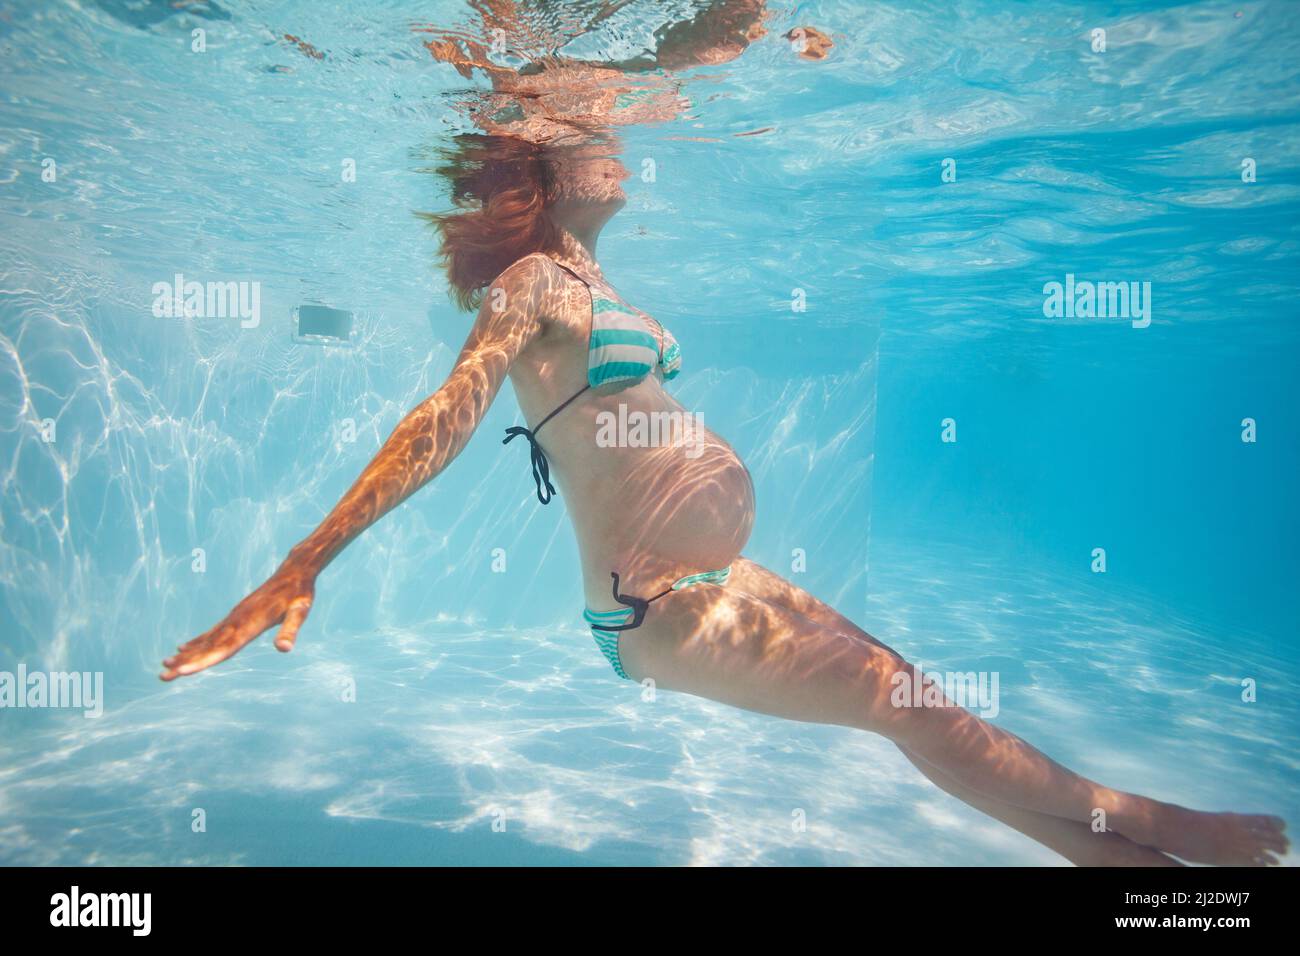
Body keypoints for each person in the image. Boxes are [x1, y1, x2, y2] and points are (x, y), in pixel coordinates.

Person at [161, 8, 1287, 869]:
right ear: (548, 174)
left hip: (705, 578)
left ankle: (1125, 866)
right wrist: (305, 558)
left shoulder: (595, 278)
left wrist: (717, 39)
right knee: (906, 703)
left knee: (905, 693)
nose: (620, 146)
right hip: (657, 604)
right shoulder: (533, 283)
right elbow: (444, 417)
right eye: (592, 138)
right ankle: (1150, 822)